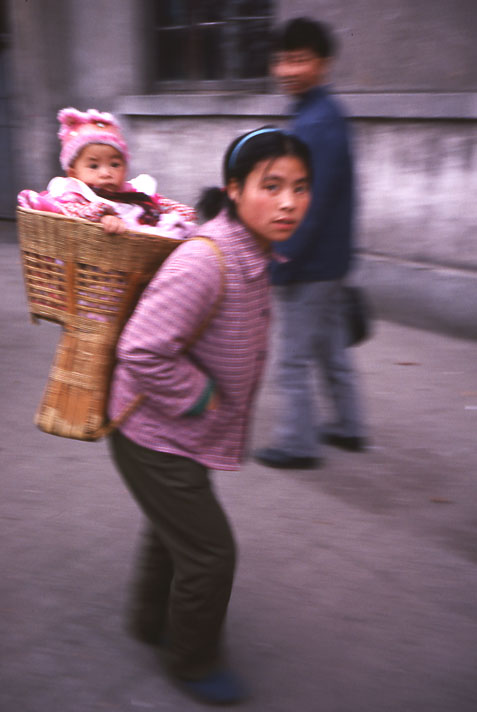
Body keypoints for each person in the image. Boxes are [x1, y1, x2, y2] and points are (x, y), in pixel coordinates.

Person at [107, 127, 311, 705]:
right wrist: (202, 397)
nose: (289, 202)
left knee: (173, 530)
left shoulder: (250, 250)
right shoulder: (207, 258)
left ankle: (149, 622)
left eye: (300, 187)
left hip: (174, 431)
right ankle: (192, 662)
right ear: (235, 189)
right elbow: (141, 349)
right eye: (271, 186)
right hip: (151, 430)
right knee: (211, 552)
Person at [254, 17, 367, 471]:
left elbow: (306, 203)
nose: (287, 70)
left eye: (299, 60)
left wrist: (282, 254)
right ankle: (350, 425)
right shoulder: (323, 114)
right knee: (331, 347)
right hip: (332, 259)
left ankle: (298, 443)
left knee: (293, 360)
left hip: (310, 262)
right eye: (282, 60)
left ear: (324, 64)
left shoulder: (315, 124)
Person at [18, 107, 195, 238]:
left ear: (125, 168)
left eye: (115, 164)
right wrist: (103, 215)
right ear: (73, 172)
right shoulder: (75, 193)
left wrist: (179, 215)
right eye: (93, 166)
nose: (106, 173)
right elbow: (67, 210)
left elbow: (161, 203)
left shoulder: (132, 193)